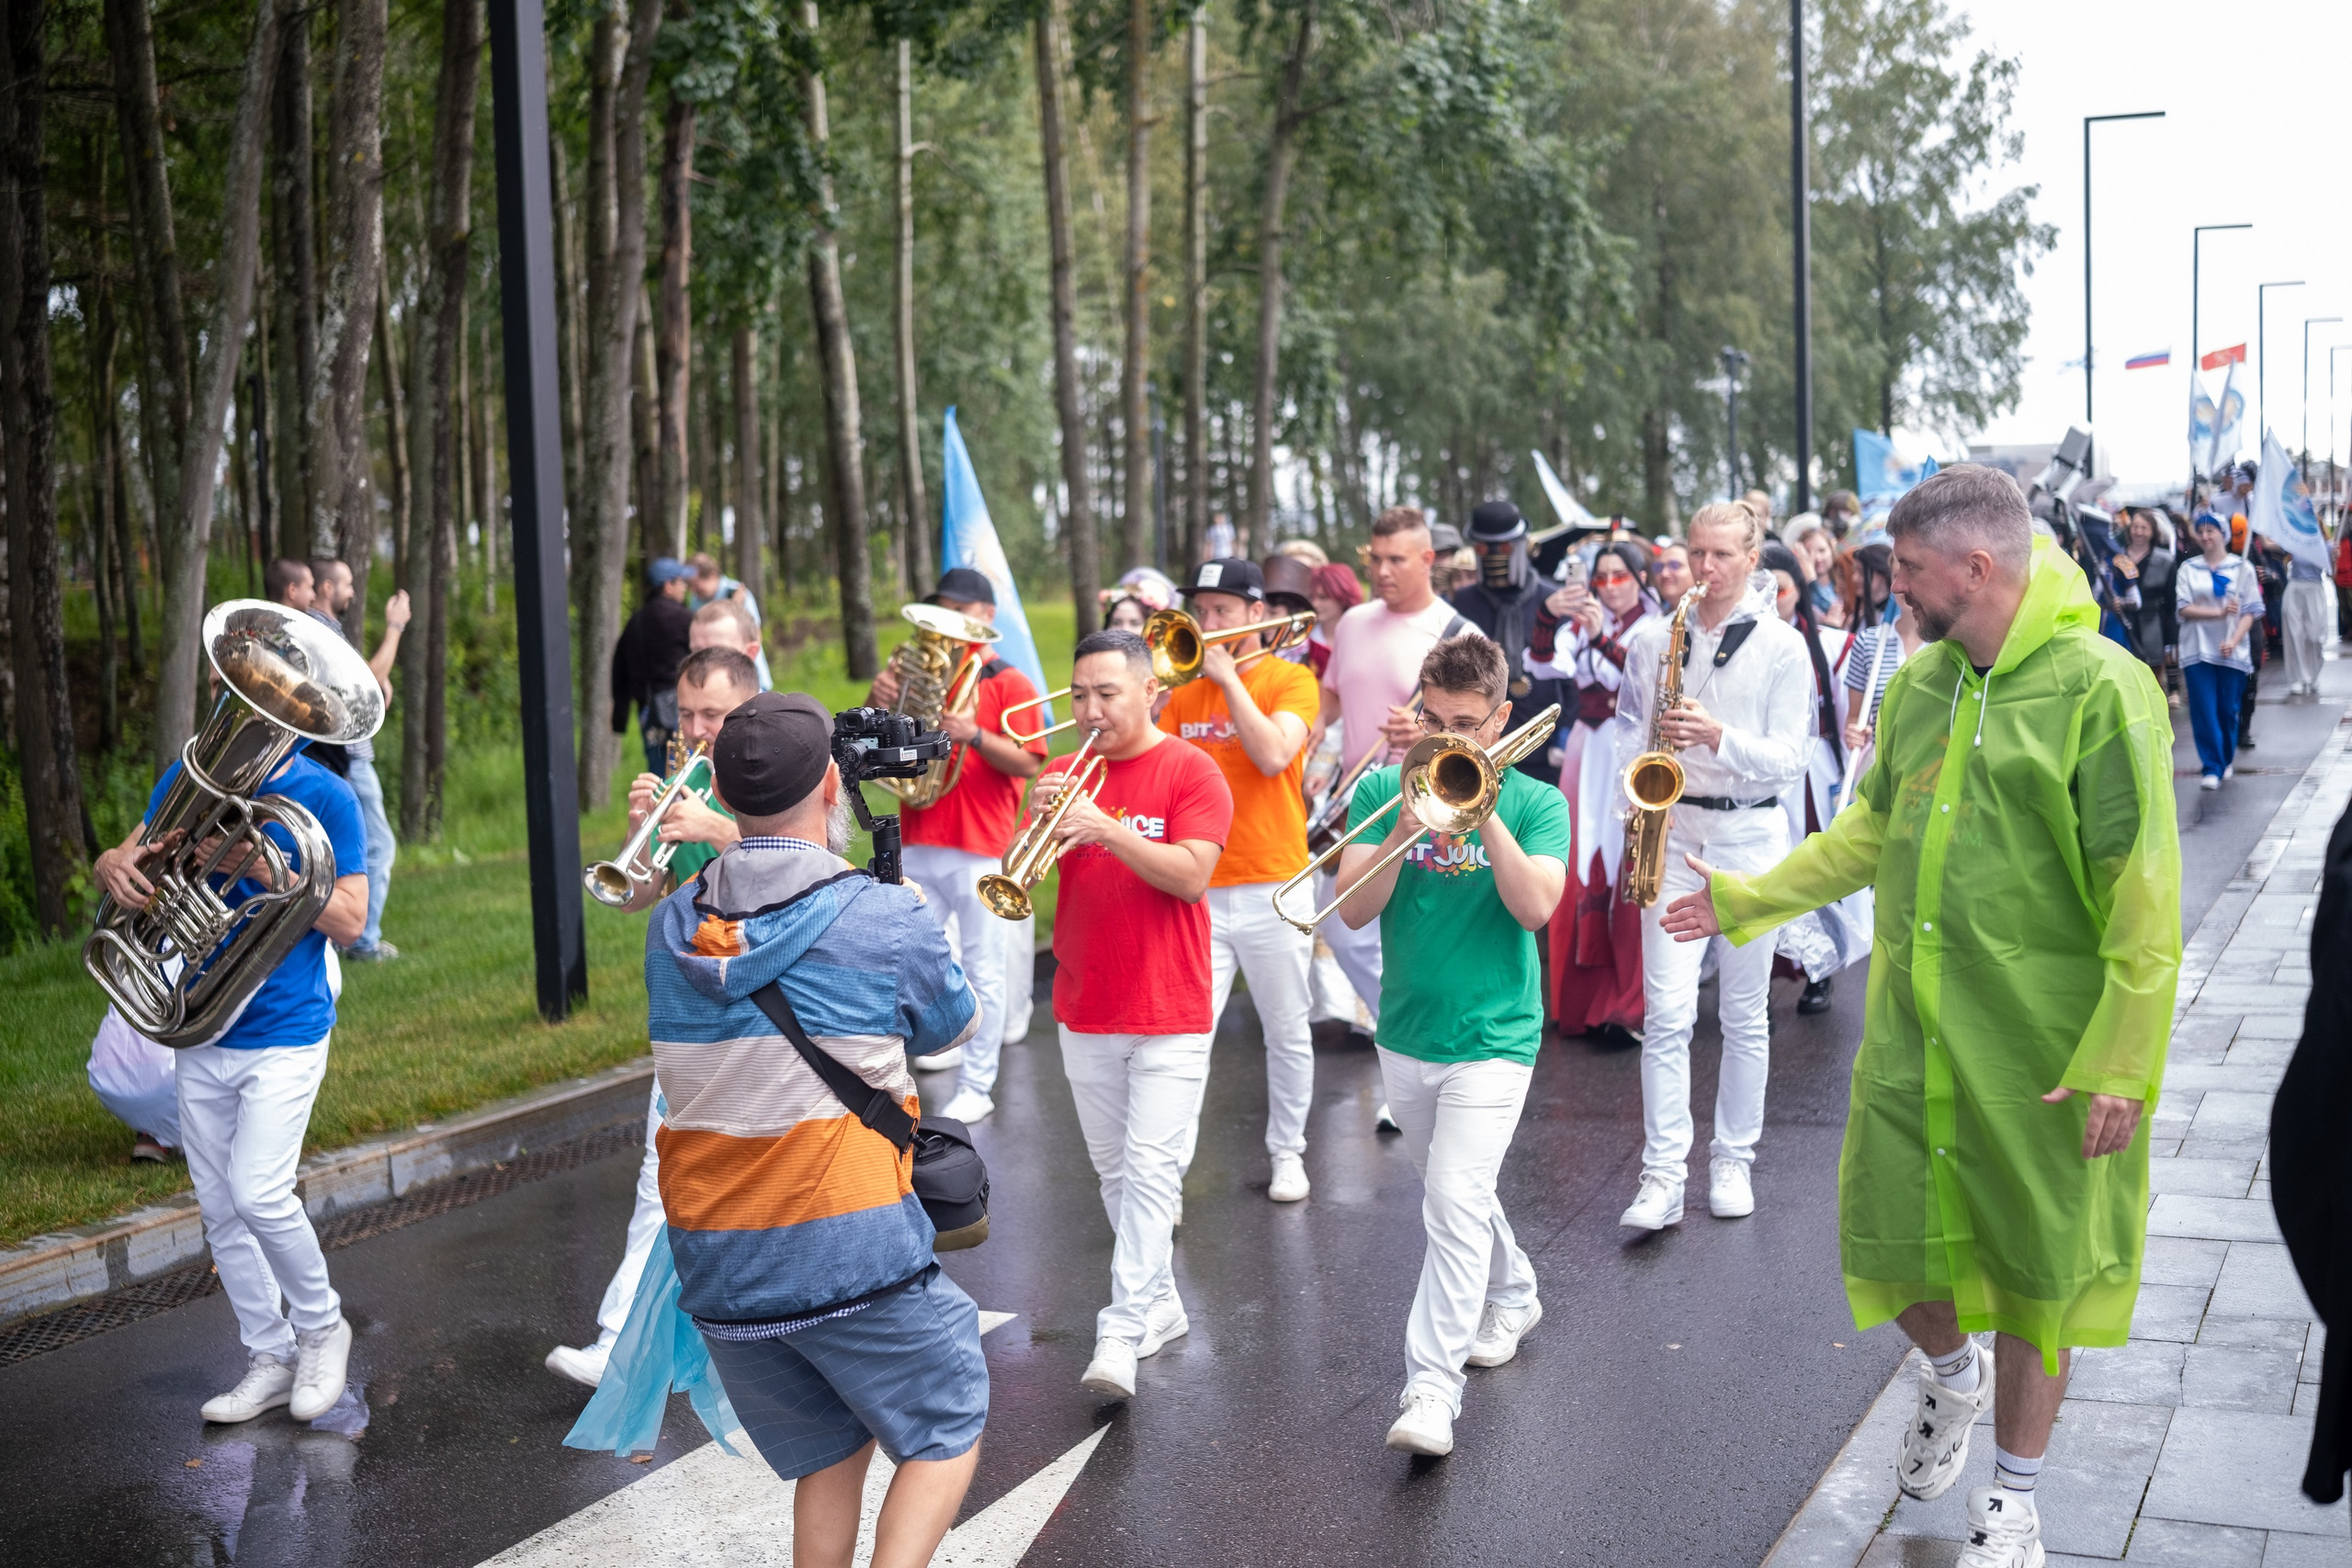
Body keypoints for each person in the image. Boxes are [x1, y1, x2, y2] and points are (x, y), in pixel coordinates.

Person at [1662, 463, 2179, 1568]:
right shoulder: (1923, 685)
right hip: (1913, 1039)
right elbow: (1865, 834)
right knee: (1887, 1250)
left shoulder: (2101, 688)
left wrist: (2122, 1063)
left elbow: (2143, 895)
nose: (1892, 591)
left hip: (2043, 1052)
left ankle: (2016, 1504)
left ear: (1974, 567)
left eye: (1906, 571)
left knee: (2040, 1281)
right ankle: (1951, 1375)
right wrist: (1747, 901)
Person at [645, 691, 987, 1565]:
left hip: (718, 1257)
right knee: (947, 1422)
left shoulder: (672, 924)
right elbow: (952, 1023)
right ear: (835, 783)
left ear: (719, 796)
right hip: (848, 1251)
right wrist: (904, 899)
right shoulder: (880, 912)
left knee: (833, 1447)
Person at [92, 699, 370, 1427]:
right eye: (236, 697)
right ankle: (270, 1355)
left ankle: (321, 1326)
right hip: (201, 1024)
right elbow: (123, 857)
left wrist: (270, 867)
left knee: (258, 1191)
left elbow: (351, 919)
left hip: (285, 1027)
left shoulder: (326, 796)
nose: (244, 714)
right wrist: (112, 866)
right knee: (219, 1206)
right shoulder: (189, 781)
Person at [1332, 634, 1569, 1457]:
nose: (1443, 739)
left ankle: (1431, 1389)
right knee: (1456, 1193)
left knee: (1451, 1200)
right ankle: (1516, 1288)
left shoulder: (1538, 801)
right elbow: (1352, 909)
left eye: (1464, 724)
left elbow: (1537, 907)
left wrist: (1484, 804)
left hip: (1496, 1036)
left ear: (1500, 719)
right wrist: (1405, 818)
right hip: (1406, 1031)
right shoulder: (1380, 786)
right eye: (1431, 719)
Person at [1027, 630, 1232, 1400]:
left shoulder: (1191, 769)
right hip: (1087, 1002)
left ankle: (1118, 1328)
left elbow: (1190, 876)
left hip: (1170, 1005)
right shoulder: (1062, 773)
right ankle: (1162, 1303)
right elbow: (1035, 874)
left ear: (1152, 691)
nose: (1089, 709)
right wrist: (1043, 825)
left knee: (1150, 1170)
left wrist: (1106, 827)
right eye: (1079, 694)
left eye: (1106, 693)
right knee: (1115, 1172)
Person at [545, 648, 757, 1389]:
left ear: (747, 711)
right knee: (660, 1177)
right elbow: (641, 896)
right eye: (688, 714)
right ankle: (618, 1342)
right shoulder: (682, 783)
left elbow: (813, 861)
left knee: (757, 1184)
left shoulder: (781, 769)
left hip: (764, 1015)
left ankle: (744, 1339)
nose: (698, 730)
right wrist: (646, 836)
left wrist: (719, 825)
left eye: (714, 716)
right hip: (691, 1010)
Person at [1614, 502, 1813, 1232]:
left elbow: (1792, 757)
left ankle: (1734, 1158)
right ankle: (1662, 1175)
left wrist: (1720, 736)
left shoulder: (1784, 647)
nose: (1704, 569)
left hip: (1751, 837)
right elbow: (1630, 739)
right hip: (1671, 827)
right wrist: (1629, 821)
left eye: (1722, 554)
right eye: (1696, 553)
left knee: (1742, 1013)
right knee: (1665, 1014)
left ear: (1753, 557)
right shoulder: (1650, 639)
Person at [1158, 558, 1321, 1202]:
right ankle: (1169, 1174)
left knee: (1287, 1027)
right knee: (1187, 1036)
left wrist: (1228, 681)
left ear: (1258, 614)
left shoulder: (1293, 678)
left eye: (1223, 609)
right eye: (1202, 608)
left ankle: (1288, 1152)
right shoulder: (1181, 689)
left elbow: (1274, 753)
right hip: (1200, 883)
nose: (1209, 621)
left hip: (1275, 882)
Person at [866, 568, 1049, 1122]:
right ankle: (928, 1056)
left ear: (985, 616)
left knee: (984, 970)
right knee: (911, 965)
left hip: (978, 844)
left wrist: (975, 735)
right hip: (920, 833)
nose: (947, 621)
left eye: (957, 609)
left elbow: (1031, 762)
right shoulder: (915, 673)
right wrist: (883, 704)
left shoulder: (1009, 682)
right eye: (939, 609)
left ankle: (980, 1084)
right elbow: (881, 755)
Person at [1317, 507, 1476, 1111]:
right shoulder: (1354, 621)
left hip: (1426, 798)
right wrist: (1314, 734)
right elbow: (1334, 693)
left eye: (1395, 560)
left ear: (1428, 560)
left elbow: (1478, 730)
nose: (1380, 571)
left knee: (1415, 931)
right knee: (1346, 928)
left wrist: (1425, 733)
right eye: (1373, 559)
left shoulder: (1455, 629)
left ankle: (1419, 1070)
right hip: (1362, 799)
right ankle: (1413, 1054)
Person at [1528, 540, 1656, 1046]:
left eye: (1619, 575)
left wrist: (1600, 637)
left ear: (1639, 578)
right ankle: (1579, 1004)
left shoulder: (1659, 624)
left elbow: (1643, 676)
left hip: (1633, 750)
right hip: (1588, 746)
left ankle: (1626, 1004)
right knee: (1578, 862)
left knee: (1630, 867)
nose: (1608, 586)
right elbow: (1542, 664)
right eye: (1600, 578)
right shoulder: (1581, 625)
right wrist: (1547, 613)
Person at [1761, 541, 1862, 1015]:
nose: (1774, 597)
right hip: (1761, 771)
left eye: (1781, 588)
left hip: (1813, 771)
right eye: (1763, 588)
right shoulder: (1743, 644)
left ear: (1798, 590)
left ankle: (1820, 973)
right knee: (1766, 868)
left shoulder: (1833, 643)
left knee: (1816, 868)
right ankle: (1762, 976)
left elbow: (1847, 718)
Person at [303, 558, 412, 962]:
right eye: (347, 584)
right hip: (348, 761)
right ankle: (362, 939)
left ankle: (342, 935)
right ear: (327, 588)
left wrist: (378, 686)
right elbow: (361, 685)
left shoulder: (327, 629)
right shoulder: (323, 627)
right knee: (379, 846)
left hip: (344, 761)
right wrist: (395, 627)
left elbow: (365, 684)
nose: (352, 591)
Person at [1449, 501, 1566, 785]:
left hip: (1542, 746)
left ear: (1522, 546)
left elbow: (1571, 678)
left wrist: (1563, 737)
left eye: (1502, 549)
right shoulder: (1462, 603)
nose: (1492, 557)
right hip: (1477, 746)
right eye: (1482, 549)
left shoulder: (1553, 600)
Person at [2176, 513, 2262, 790]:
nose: (2205, 536)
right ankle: (2211, 765)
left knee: (2228, 709)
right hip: (2197, 649)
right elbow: (2183, 608)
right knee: (2204, 710)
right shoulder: (2188, 569)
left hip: (2230, 651)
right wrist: (2218, 613)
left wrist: (2234, 641)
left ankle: (2225, 759)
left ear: (2223, 534)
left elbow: (2250, 611)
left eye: (2211, 530)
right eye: (2201, 531)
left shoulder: (2242, 568)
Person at [612, 557, 698, 775]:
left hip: (649, 711)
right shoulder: (684, 618)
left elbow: (619, 671)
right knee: (690, 769)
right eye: (681, 582)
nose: (684, 587)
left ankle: (660, 809)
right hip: (684, 708)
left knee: (659, 772)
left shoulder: (635, 622)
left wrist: (619, 719)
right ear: (668, 585)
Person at [2116, 509, 2177, 705]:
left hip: (2153, 623)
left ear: (2153, 532)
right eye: (2135, 527)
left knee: (2152, 680)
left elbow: (2171, 602)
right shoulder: (2118, 558)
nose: (2139, 532)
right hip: (2123, 622)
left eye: (2144, 528)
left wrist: (2171, 641)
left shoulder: (2164, 560)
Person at [687, 550, 773, 691]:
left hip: (747, 679)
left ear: (712, 576)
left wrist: (733, 606)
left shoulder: (736, 593)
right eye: (690, 586)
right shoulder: (696, 601)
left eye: (696, 585)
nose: (693, 590)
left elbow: (756, 636)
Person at [2280, 525, 2331, 697]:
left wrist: (2335, 558)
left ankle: (2313, 673)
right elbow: (2270, 544)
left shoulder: (2327, 546)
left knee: (2315, 637)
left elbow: (2333, 574)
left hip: (2315, 590)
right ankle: (2297, 677)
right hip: (2294, 587)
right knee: (2294, 634)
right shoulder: (2294, 543)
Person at [1303, 563, 1363, 683]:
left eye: (1323, 597)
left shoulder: (1362, 637)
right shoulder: (1302, 637)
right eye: (1312, 597)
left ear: (1343, 596)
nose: (1315, 604)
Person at [690, 597, 769, 688]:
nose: (704, 663)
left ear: (750, 653)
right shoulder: (687, 700)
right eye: (696, 653)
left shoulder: (765, 702)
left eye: (717, 653)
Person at [1652, 541, 1694, 605]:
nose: (1664, 574)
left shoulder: (1711, 613)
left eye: (1675, 565)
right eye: (1659, 567)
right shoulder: (1653, 614)